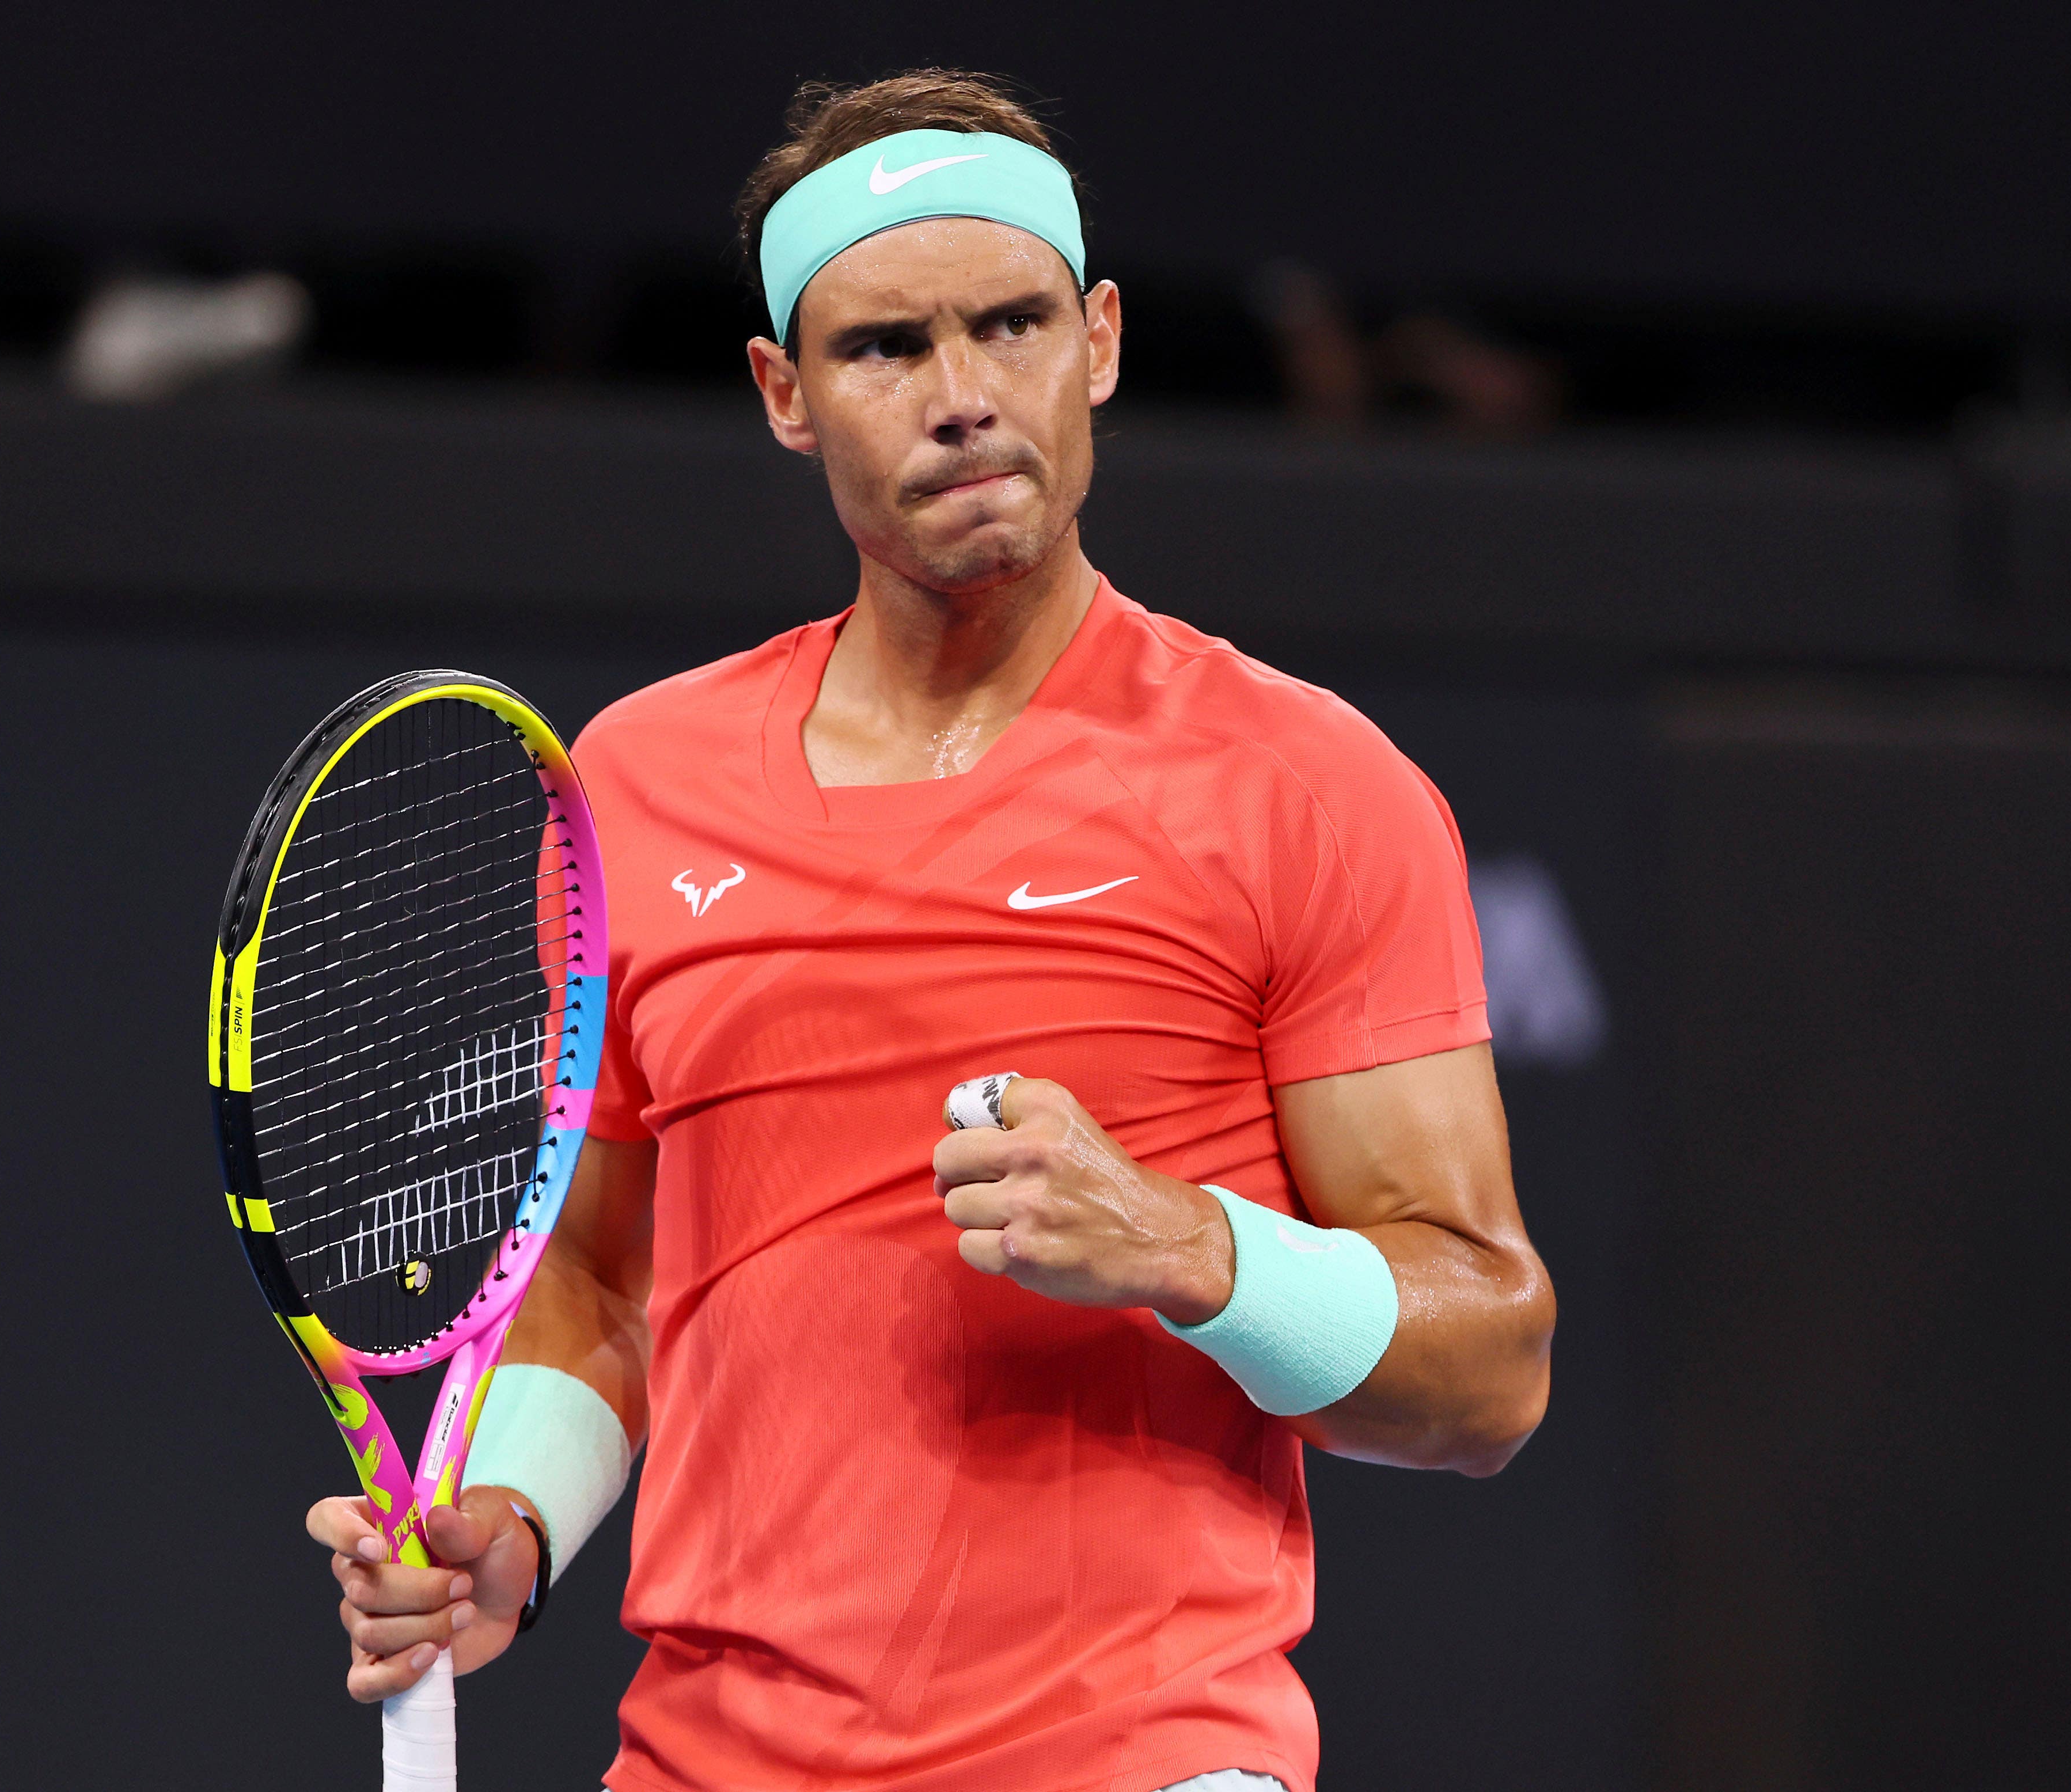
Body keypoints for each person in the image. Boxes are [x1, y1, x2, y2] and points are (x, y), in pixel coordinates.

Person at [305, 70, 1555, 1792]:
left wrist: (1194, 1251)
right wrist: (506, 1523)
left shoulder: (1306, 784)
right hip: (706, 1757)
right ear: (784, 395)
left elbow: (1486, 1367)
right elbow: (601, 1272)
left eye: (1012, 324)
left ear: (1098, 340)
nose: (965, 398)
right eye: (886, 348)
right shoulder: (637, 782)